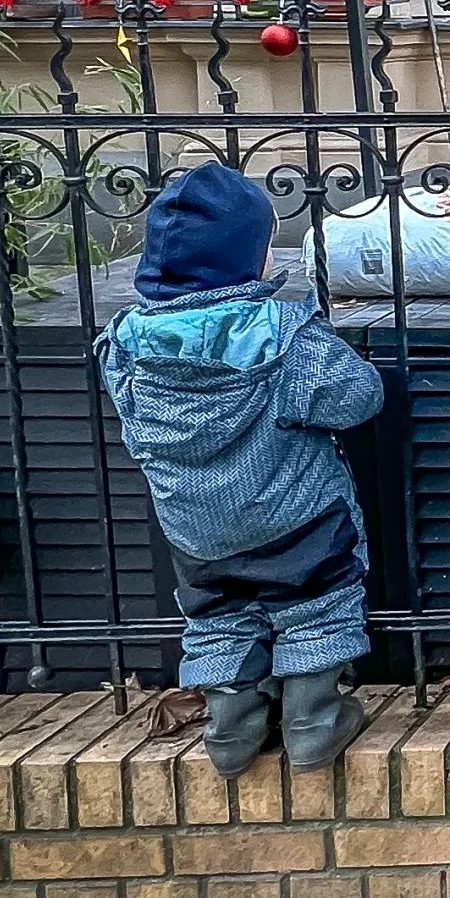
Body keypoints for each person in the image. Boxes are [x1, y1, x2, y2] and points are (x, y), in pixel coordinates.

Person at [98, 163, 384, 779]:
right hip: (296, 517)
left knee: (220, 616)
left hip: (196, 529)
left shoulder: (124, 341)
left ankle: (230, 735)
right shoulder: (279, 336)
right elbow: (358, 397)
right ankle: (313, 725)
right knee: (315, 605)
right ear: (247, 256)